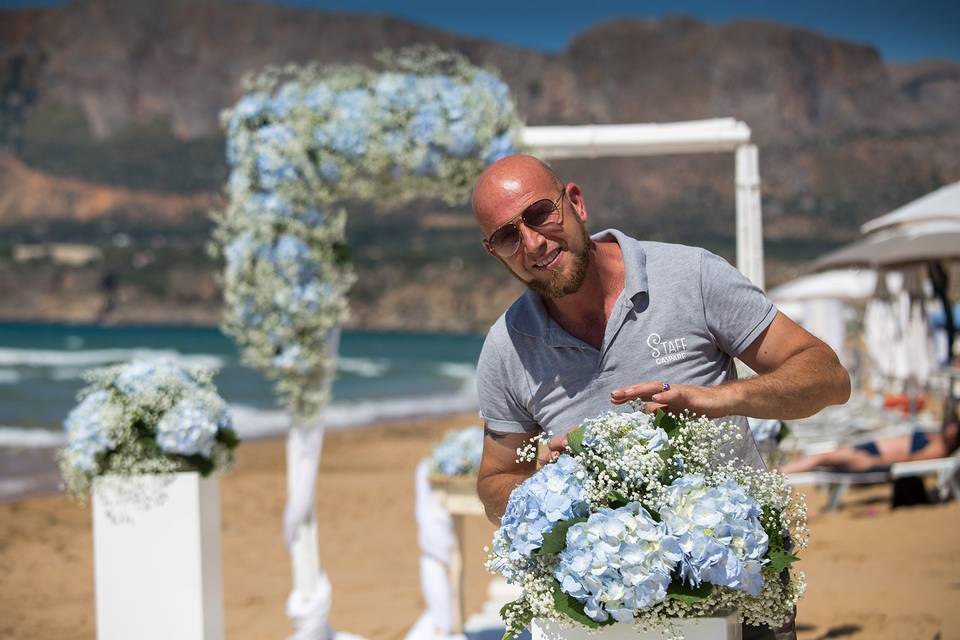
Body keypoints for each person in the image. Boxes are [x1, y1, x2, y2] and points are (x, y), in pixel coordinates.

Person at [471, 155, 851, 640]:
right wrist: (541, 481)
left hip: (739, 593)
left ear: (576, 202)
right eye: (507, 236)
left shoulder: (690, 275)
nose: (532, 242)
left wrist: (720, 399)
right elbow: (495, 481)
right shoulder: (507, 347)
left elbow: (828, 376)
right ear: (494, 251)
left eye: (540, 212)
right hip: (605, 616)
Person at [781, 406, 959, 474]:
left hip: (873, 458)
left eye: (955, 428)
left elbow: (909, 460)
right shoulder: (935, 436)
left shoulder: (938, 450)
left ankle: (779, 473)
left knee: (821, 458)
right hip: (873, 448)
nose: (950, 426)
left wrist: (877, 463)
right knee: (822, 460)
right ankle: (779, 473)